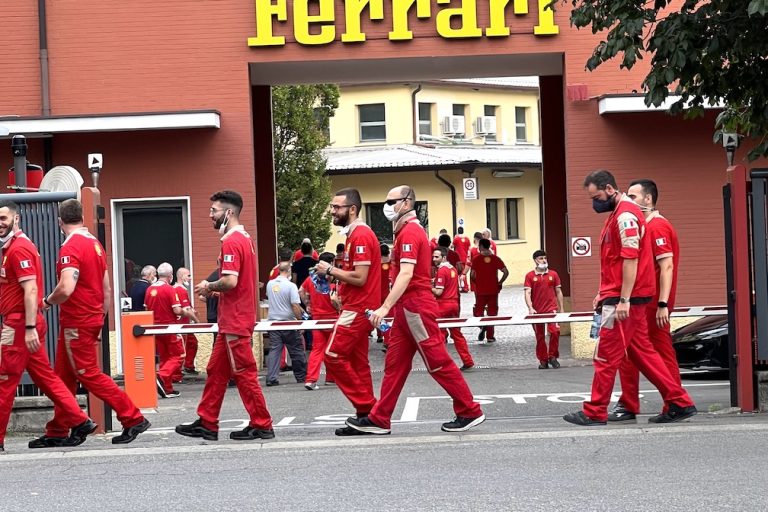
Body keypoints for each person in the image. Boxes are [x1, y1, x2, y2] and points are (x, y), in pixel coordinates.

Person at [347, 185, 484, 435]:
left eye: (392, 202)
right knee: (395, 365)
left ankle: (469, 410)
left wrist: (384, 307)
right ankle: (379, 418)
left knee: (437, 361)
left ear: (407, 202)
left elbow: (407, 273)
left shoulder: (410, 232)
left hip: (415, 307)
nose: (387, 207)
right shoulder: (405, 231)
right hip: (407, 308)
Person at [563, 170, 697, 426]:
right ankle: (679, 401)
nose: (595, 203)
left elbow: (630, 259)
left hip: (625, 300)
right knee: (642, 353)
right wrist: (605, 293)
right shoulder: (621, 214)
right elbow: (617, 261)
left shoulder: (625, 216)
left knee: (606, 356)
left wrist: (622, 299)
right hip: (626, 297)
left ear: (609, 189)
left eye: (596, 197)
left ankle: (595, 411)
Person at [32, 199, 149, 447]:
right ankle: (58, 429)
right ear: (82, 218)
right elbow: (106, 289)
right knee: (64, 376)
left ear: (60, 221)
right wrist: (100, 319)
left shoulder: (71, 247)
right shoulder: (95, 244)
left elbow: (66, 287)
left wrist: (47, 301)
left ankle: (133, 417)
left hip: (76, 320)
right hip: (90, 318)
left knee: (89, 374)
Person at [177, 190, 274, 441]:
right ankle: (207, 422)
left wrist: (209, 286)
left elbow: (230, 281)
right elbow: (238, 284)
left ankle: (262, 423)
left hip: (235, 320)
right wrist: (215, 292)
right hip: (233, 319)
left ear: (228, 213)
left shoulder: (232, 241)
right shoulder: (244, 238)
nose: (210, 215)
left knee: (244, 373)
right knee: (216, 370)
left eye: (214, 211)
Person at [0, 200, 96, 453]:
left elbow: (31, 289)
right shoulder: (14, 247)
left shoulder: (19, 248)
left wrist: (29, 326)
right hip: (24, 323)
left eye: (3, 218)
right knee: (46, 378)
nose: (0, 223)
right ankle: (80, 420)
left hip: (20, 324)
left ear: (16, 219)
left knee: (5, 380)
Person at [610, 179, 688, 423]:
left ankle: (665, 403)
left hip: (651, 303)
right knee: (645, 352)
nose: (629, 200)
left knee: (643, 352)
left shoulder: (657, 226)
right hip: (646, 301)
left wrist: (663, 304)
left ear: (648, 199)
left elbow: (667, 266)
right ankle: (669, 402)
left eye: (633, 196)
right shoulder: (645, 225)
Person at [314, 188, 380, 436]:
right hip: (357, 307)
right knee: (358, 362)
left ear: (352, 209)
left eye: (336, 207)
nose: (332, 211)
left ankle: (368, 408)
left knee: (332, 356)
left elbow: (360, 278)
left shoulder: (360, 235)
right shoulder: (356, 235)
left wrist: (330, 270)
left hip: (357, 309)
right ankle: (366, 417)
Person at [144, 262, 189, 398]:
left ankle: (167, 388)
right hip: (170, 327)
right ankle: (162, 377)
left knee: (165, 358)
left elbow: (146, 309)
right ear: (170, 276)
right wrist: (185, 312)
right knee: (178, 355)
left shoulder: (149, 289)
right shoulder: (170, 289)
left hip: (155, 329)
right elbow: (177, 310)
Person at [299, 252, 340, 389]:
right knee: (332, 350)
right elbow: (336, 300)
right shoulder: (333, 279)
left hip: (317, 319)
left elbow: (301, 291)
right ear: (331, 263)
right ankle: (331, 378)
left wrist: (308, 304)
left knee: (317, 350)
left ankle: (311, 379)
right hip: (333, 318)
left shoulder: (311, 279)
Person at [265, 262, 307, 386]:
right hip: (289, 323)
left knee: (274, 350)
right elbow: (295, 305)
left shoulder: (270, 284)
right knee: (296, 350)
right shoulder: (291, 286)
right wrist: (300, 321)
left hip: (273, 322)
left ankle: (271, 378)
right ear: (289, 271)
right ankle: (301, 377)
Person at [432, 247, 474, 371]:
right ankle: (467, 360)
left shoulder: (441, 270)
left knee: (439, 335)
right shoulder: (453, 269)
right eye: (433, 256)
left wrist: (428, 286)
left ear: (444, 257)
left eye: (436, 257)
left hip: (442, 305)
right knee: (457, 334)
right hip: (454, 304)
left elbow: (439, 292)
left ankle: (441, 363)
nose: (434, 259)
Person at [524, 250, 565, 369]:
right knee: (540, 336)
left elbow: (558, 291)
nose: (544, 260)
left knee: (555, 332)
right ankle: (543, 360)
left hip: (551, 309)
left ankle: (553, 356)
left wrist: (561, 308)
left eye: (545, 258)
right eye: (541, 258)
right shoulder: (530, 276)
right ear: (535, 260)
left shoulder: (553, 274)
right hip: (537, 311)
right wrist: (530, 308)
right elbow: (527, 293)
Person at [470, 239, 509, 343]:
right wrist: (500, 282)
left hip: (481, 290)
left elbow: (472, 275)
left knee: (478, 311)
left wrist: (477, 282)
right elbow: (505, 272)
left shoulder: (476, 259)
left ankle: (483, 326)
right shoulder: (495, 258)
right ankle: (490, 337)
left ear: (481, 246)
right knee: (492, 313)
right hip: (493, 290)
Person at [174, 267, 201, 375]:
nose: (190, 278)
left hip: (183, 324)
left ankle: (188, 366)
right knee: (183, 348)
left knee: (192, 343)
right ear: (182, 276)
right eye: (188, 275)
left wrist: (193, 311)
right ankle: (179, 371)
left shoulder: (177, 289)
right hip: (182, 325)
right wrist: (197, 321)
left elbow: (187, 307)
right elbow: (186, 309)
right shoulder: (181, 290)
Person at [377, 244, 392, 346]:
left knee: (377, 315)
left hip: (376, 293)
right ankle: (387, 339)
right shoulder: (390, 263)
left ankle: (379, 335)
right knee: (388, 317)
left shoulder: (375, 263)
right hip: (387, 293)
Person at [453, 227, 471, 292]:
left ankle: (463, 287)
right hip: (465, 257)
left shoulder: (456, 238)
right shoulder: (467, 239)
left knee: (459, 273)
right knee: (464, 273)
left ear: (458, 231)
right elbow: (469, 248)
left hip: (458, 258)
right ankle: (464, 287)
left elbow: (452, 246)